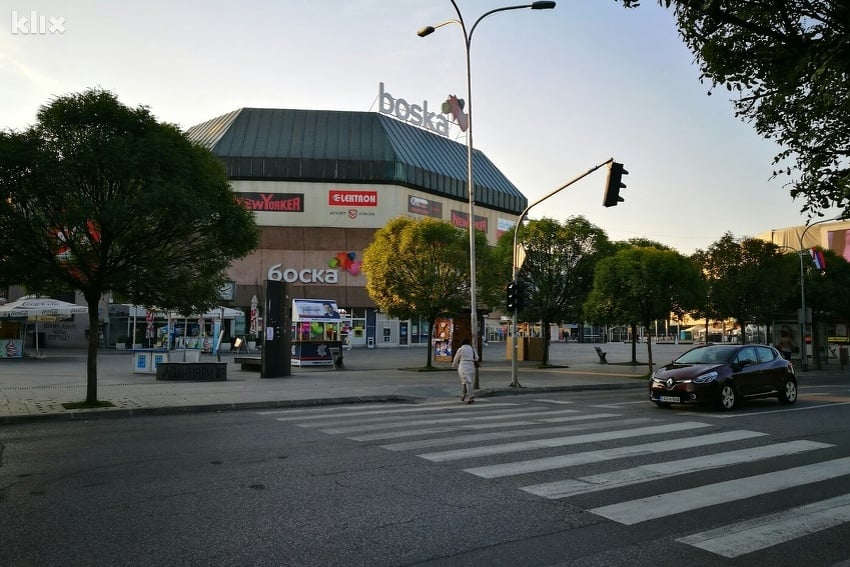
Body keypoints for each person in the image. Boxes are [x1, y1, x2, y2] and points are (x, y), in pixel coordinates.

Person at [452, 337, 478, 404]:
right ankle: (463, 395)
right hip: (471, 365)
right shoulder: (472, 348)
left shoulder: (461, 349)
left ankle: (471, 397)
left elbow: (456, 358)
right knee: (467, 381)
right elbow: (477, 358)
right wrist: (473, 360)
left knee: (466, 381)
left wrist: (454, 365)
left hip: (463, 365)